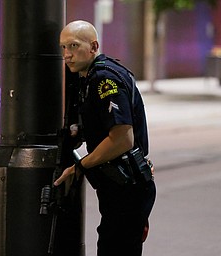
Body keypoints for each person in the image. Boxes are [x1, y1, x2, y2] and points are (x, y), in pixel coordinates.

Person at [54, 20, 156, 256]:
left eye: (73, 46)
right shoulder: (90, 75)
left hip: (126, 188)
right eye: (63, 47)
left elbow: (122, 139)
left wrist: (80, 166)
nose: (67, 54)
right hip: (124, 186)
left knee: (115, 248)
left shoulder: (103, 79)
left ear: (93, 46)